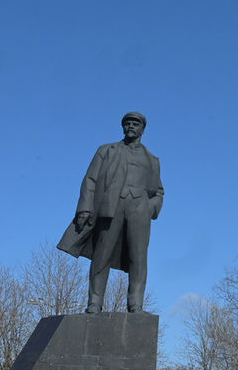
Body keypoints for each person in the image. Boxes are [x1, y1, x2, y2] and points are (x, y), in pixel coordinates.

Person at [57, 111, 164, 313]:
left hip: (139, 210)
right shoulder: (106, 150)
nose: (131, 126)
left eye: (135, 124)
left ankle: (135, 304)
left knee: (138, 258)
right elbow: (90, 179)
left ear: (143, 129)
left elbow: (159, 191)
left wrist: (150, 208)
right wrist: (85, 208)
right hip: (111, 208)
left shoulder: (152, 159)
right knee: (102, 254)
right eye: (127, 123)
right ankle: (95, 303)